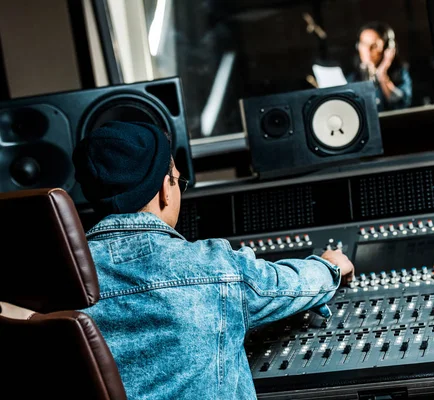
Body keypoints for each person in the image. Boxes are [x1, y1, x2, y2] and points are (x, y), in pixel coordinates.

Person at [71, 121, 355, 400]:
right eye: (177, 180)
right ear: (164, 191)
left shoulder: (58, 283)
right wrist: (329, 266)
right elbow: (285, 285)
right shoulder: (211, 267)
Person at [347, 21, 413, 111]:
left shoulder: (400, 73)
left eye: (374, 45)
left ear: (387, 48)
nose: (368, 50)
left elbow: (402, 104)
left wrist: (382, 74)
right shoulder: (352, 78)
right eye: (364, 44)